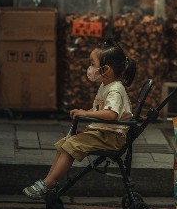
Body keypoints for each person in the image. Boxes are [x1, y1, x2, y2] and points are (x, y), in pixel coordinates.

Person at [22, 40, 137, 200]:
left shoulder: (116, 89)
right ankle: (49, 181)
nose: (90, 68)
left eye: (92, 63)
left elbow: (111, 114)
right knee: (65, 143)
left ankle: (49, 183)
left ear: (106, 69)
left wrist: (87, 114)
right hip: (104, 133)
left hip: (111, 137)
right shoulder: (105, 85)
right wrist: (85, 112)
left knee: (71, 145)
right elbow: (100, 110)